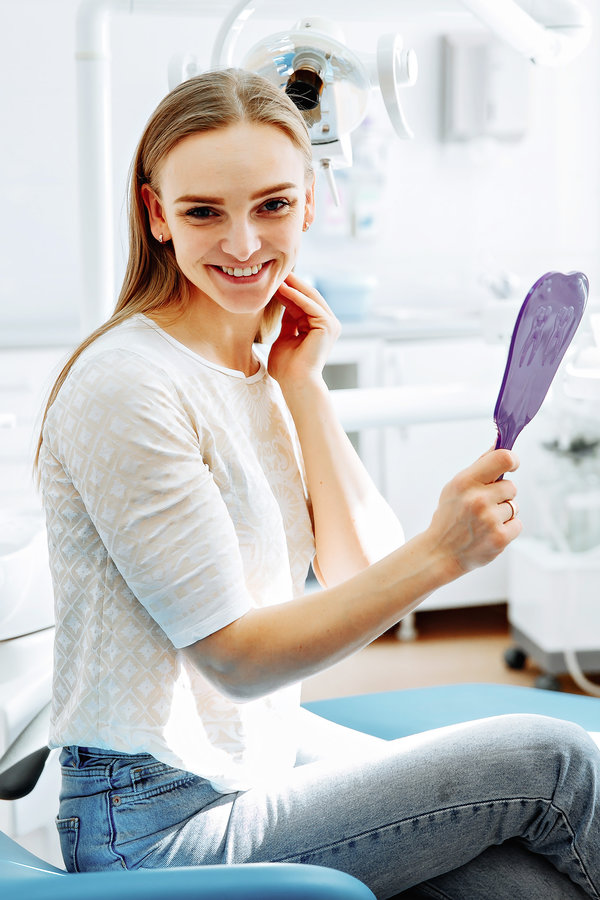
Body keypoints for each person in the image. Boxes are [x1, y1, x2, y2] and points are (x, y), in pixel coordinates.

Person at [35, 68, 600, 899]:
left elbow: (360, 568)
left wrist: (305, 387)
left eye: (271, 206)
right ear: (156, 214)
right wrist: (443, 553)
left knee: (527, 884)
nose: (241, 243)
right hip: (157, 820)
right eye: (203, 212)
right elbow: (235, 659)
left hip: (251, 760)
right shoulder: (130, 384)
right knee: (557, 764)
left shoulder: (259, 366)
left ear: (310, 203)